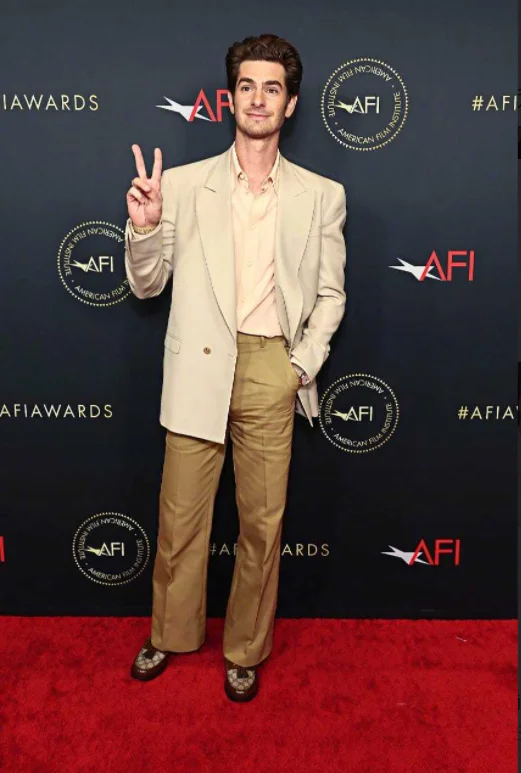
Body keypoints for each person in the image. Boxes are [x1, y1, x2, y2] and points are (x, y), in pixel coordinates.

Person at [125, 33, 347, 702]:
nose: (258, 97)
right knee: (180, 517)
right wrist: (144, 228)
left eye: (271, 87)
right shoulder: (184, 186)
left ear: (291, 102)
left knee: (261, 522)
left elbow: (332, 294)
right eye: (247, 85)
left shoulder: (320, 194)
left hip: (269, 367)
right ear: (229, 99)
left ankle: (246, 646)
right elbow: (145, 285)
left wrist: (298, 366)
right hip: (198, 366)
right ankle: (169, 630)